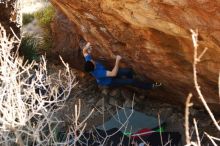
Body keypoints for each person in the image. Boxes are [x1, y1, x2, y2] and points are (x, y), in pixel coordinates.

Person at [83, 42, 161, 89]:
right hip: (110, 81)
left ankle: (129, 80)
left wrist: (87, 45)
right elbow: (113, 74)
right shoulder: (99, 73)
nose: (92, 60)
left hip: (109, 74)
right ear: (94, 67)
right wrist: (117, 61)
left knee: (128, 71)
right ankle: (150, 86)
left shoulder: (88, 62)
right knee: (131, 81)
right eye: (93, 62)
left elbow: (84, 51)